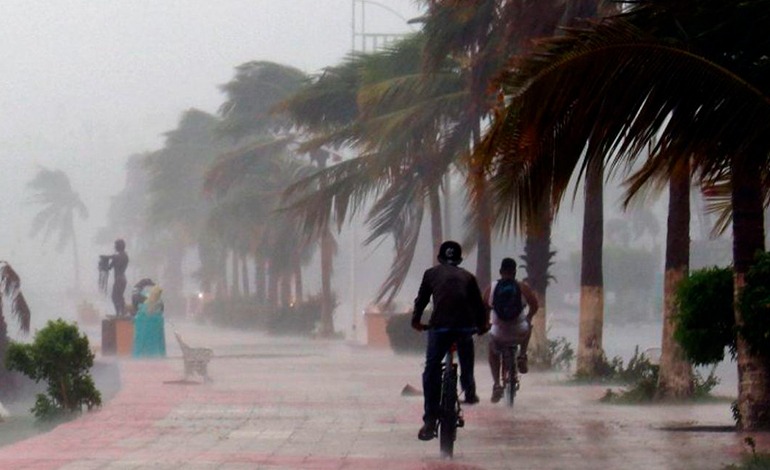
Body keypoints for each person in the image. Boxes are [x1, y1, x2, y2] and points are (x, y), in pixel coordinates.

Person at [411, 240, 488, 441]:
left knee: (432, 368)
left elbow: (421, 300)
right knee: (466, 357)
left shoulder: (431, 274)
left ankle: (429, 420)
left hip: (440, 327)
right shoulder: (468, 277)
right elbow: (479, 307)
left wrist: (416, 321)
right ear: (460, 259)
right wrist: (481, 327)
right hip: (464, 327)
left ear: (440, 258)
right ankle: (469, 390)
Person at [483, 257, 539, 403]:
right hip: (519, 332)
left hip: (499, 333)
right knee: (529, 327)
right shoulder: (522, 287)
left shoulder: (492, 288)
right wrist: (528, 317)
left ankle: (496, 385)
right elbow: (535, 305)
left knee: (492, 350)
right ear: (514, 272)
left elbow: (483, 308)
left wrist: (486, 323)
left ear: (501, 271)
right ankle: (522, 355)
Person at [133, 285, 167, 358]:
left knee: (144, 340)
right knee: (150, 341)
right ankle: (151, 354)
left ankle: (146, 354)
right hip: (150, 327)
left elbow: (143, 313)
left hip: (148, 326)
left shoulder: (153, 302)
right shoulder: (152, 302)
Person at [105, 239, 129, 317]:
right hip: (121, 279)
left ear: (119, 246)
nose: (114, 247)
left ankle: (120, 313)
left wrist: (110, 258)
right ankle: (121, 312)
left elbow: (116, 262)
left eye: (116, 245)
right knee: (118, 296)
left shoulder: (122, 256)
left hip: (120, 279)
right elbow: (109, 267)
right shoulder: (120, 256)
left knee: (115, 296)